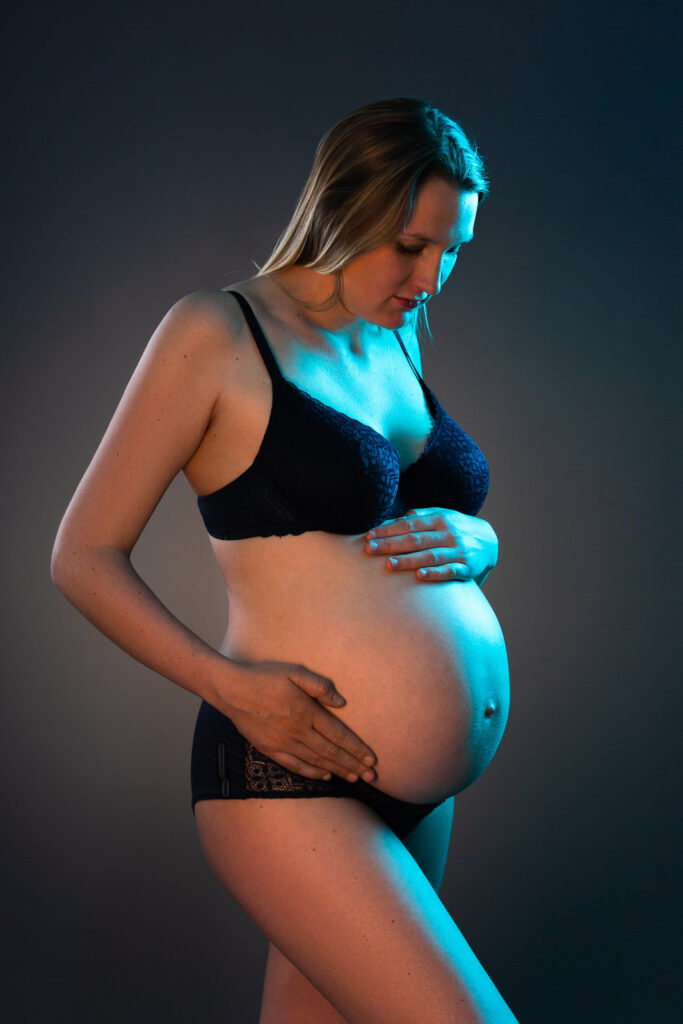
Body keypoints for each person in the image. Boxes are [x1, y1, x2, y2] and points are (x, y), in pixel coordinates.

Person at [51, 97, 517, 1023]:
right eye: (411, 246)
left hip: (415, 791)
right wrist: (231, 687)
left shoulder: (392, 327)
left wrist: (483, 540)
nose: (431, 278)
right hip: (284, 768)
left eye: (452, 250)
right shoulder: (215, 334)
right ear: (343, 211)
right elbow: (82, 557)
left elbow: (410, 514)